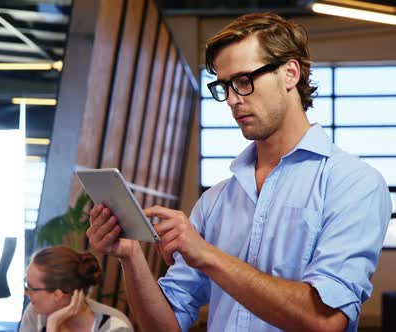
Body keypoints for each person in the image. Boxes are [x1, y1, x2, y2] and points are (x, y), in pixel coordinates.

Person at [86, 12, 392, 332]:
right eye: (224, 87)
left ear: (290, 73)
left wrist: (206, 255)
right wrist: (130, 256)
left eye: (244, 81)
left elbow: (324, 321)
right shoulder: (215, 201)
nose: (232, 100)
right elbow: (164, 327)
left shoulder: (354, 184)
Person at [20, 246, 133, 332]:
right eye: (26, 284)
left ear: (58, 295)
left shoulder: (114, 328)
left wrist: (52, 326)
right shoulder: (35, 314)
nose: (26, 293)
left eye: (31, 288)